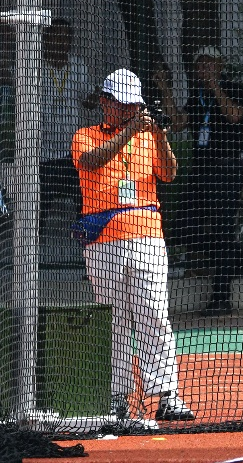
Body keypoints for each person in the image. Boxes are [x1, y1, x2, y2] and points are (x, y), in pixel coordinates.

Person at [70, 69, 195, 425]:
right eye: (122, 104)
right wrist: (129, 132)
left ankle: (167, 395)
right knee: (114, 320)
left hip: (148, 237)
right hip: (103, 240)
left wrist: (159, 136)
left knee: (155, 315)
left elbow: (169, 173)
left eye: (133, 106)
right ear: (105, 101)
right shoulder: (86, 135)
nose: (129, 111)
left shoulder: (148, 136)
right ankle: (117, 397)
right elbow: (91, 162)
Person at [167, 46, 243, 315]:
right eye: (200, 66)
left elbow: (235, 115)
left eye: (210, 65)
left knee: (224, 231)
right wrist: (164, 88)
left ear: (219, 66)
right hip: (201, 172)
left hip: (227, 171)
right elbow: (178, 123)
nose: (204, 70)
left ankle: (221, 297)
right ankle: (239, 257)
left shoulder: (234, 89)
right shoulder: (196, 96)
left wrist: (216, 88)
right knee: (180, 229)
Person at [41, 19, 97, 238]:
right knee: (40, 206)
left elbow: (88, 102)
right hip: (43, 151)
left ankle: (84, 246)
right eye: (56, 36)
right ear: (46, 40)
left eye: (65, 37)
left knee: (81, 200)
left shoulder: (77, 65)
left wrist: (99, 95)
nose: (61, 41)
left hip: (72, 151)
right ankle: (32, 251)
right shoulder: (34, 67)